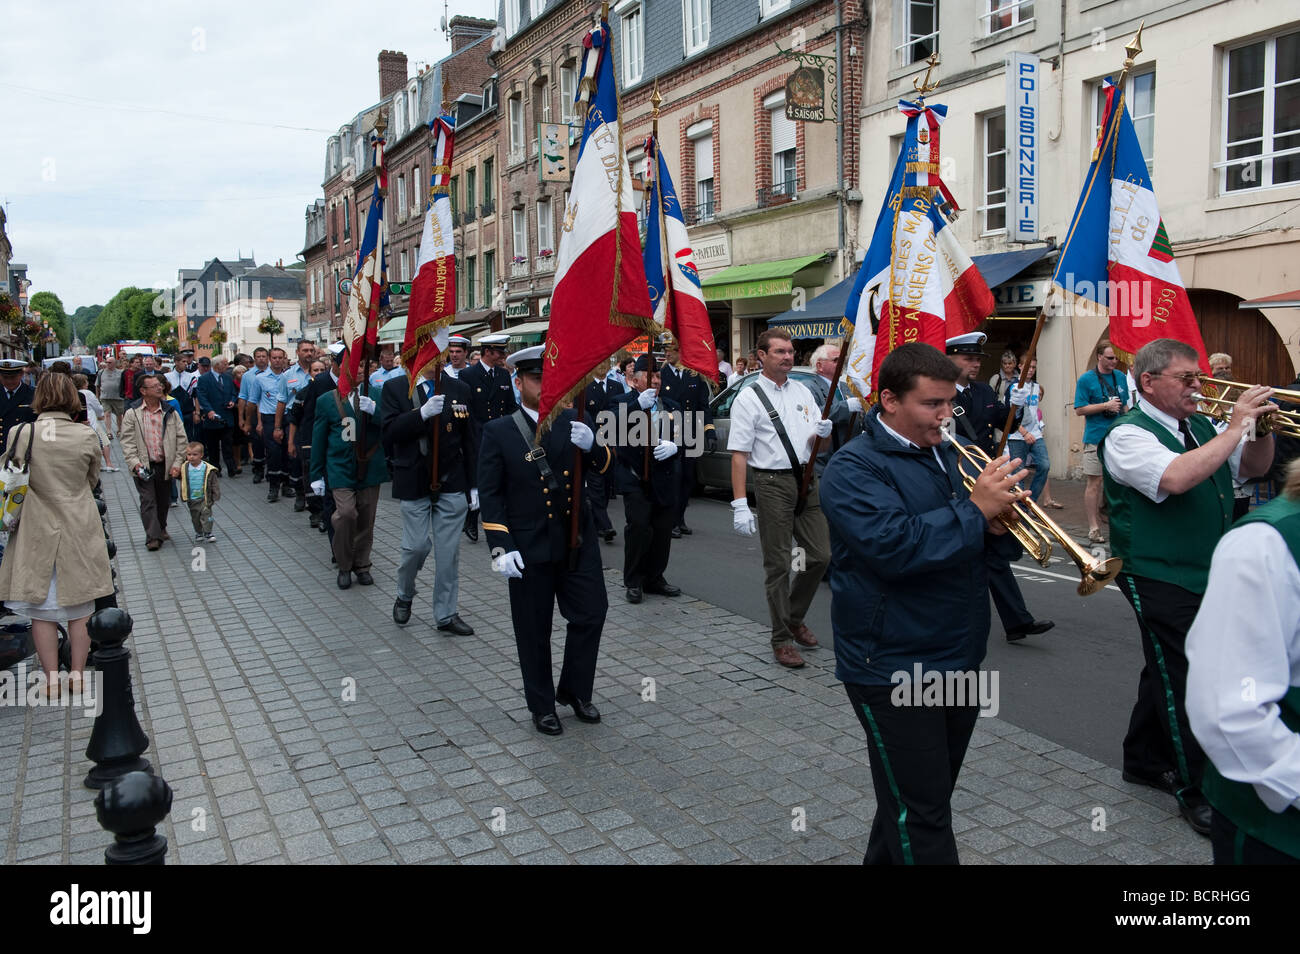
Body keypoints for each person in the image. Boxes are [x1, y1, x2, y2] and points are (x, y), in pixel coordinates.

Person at [822, 342, 1027, 864]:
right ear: (889, 400)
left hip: (958, 652)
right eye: (933, 403)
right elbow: (896, 547)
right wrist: (976, 510)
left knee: (916, 799)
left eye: (950, 402)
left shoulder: (941, 451)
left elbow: (971, 541)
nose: (946, 414)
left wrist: (1000, 523)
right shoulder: (852, 467)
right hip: (892, 663)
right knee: (924, 812)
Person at [1099, 338, 1277, 836]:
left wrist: (1259, 430)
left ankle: (1142, 758)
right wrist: (1238, 424)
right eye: (1187, 379)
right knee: (1188, 677)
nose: (1199, 387)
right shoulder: (1126, 436)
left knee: (1164, 664)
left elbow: (1254, 468)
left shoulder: (1199, 425)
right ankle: (1196, 788)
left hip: (1205, 568)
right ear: (1149, 383)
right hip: (1156, 572)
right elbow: (1176, 478)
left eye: (1199, 378)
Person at [479, 345, 613, 735]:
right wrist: (500, 546)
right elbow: (491, 494)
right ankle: (541, 704)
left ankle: (574, 690)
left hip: (576, 540)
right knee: (534, 630)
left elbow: (606, 467)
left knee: (591, 614)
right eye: (537, 378)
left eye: (549, 377)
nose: (544, 385)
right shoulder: (499, 431)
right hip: (529, 545)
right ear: (518, 383)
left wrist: (595, 446)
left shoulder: (576, 419)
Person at [1187, 458, 1300, 864]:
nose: (1196, 388)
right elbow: (1229, 712)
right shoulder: (1265, 545)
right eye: (1185, 385)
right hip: (1278, 831)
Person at [0, 373, 114, 696]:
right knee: (80, 603)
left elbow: (10, 478)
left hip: (36, 526)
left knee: (41, 608)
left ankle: (51, 680)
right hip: (78, 522)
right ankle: (77, 675)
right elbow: (93, 480)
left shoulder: (20, 433)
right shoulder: (85, 434)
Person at [726, 327, 831, 668]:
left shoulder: (802, 391)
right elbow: (739, 454)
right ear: (761, 356)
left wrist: (823, 436)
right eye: (780, 352)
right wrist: (740, 504)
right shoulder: (748, 397)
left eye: (790, 351)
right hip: (771, 483)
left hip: (806, 479)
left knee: (820, 556)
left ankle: (794, 617)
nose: (788, 357)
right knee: (779, 565)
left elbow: (819, 446)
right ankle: (781, 639)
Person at [948, 333, 1054, 643]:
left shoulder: (983, 391)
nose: (976, 363)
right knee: (967, 554)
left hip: (986, 476)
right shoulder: (939, 393)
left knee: (992, 553)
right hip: (956, 481)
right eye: (969, 358)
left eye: (978, 358)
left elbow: (1000, 420)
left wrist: (1014, 409)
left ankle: (1017, 620)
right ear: (950, 359)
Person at [379, 354, 477, 634]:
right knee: (415, 547)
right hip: (413, 479)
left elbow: (470, 438)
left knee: (448, 555)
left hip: (451, 479)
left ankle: (446, 614)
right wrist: (419, 415)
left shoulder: (460, 389)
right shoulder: (397, 388)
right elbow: (388, 433)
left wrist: (474, 485)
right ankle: (405, 593)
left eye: (439, 354)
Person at [614, 355, 683, 603]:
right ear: (635, 379)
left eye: (658, 375)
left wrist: (676, 446)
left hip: (663, 477)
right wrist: (636, 407)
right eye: (650, 375)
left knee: (663, 531)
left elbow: (688, 436)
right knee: (639, 528)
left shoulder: (672, 405)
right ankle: (633, 581)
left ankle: (654, 578)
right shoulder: (621, 402)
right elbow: (608, 429)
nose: (655, 380)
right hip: (635, 477)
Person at [312, 370, 388, 589]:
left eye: (365, 363)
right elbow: (318, 438)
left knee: (366, 518)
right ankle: (344, 565)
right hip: (340, 467)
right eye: (356, 363)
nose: (361, 368)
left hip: (370, 465)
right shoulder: (327, 399)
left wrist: (375, 411)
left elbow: (390, 424)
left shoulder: (377, 394)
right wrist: (316, 474)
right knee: (346, 514)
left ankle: (362, 565)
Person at [120, 374, 188, 551]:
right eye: (155, 386)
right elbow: (126, 441)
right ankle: (153, 537)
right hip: (143, 466)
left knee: (163, 501)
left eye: (160, 385)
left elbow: (182, 438)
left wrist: (176, 463)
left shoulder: (169, 411)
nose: (160, 388)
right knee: (148, 500)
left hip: (164, 464)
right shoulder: (132, 413)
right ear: (143, 391)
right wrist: (135, 463)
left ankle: (161, 527)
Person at [461, 333, 518, 542]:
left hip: (500, 434)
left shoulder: (503, 376)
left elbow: (510, 405)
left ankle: (498, 523)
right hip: (479, 435)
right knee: (482, 480)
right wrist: (479, 433)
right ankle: (472, 518)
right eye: (499, 352)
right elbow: (468, 410)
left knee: (501, 478)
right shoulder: (468, 375)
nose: (502, 356)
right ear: (487, 352)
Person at [658, 339, 716, 537]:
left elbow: (703, 406)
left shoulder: (695, 375)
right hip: (670, 433)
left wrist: (710, 432)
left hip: (691, 432)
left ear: (681, 352)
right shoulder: (661, 375)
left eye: (671, 350)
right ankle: (670, 520)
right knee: (674, 477)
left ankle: (680, 517)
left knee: (688, 478)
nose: (667, 354)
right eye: (665, 350)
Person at [1075, 339, 1130, 543]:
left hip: (1118, 438)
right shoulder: (1086, 380)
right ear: (1099, 357)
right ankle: (1093, 527)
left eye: (1116, 357)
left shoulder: (1120, 377)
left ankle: (1117, 524)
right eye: (1109, 358)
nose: (1114, 361)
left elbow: (1124, 407)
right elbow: (1080, 409)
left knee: (1119, 481)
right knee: (1094, 482)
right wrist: (1105, 406)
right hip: (1096, 437)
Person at [805, 340, 864, 479]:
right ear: (819, 365)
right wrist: (845, 407)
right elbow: (814, 414)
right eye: (836, 360)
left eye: (842, 359)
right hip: (825, 461)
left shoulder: (845, 387)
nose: (841, 363)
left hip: (850, 457)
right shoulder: (809, 387)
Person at [245, 347, 289, 501]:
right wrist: (248, 422)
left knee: (287, 451)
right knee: (273, 452)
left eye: (280, 358)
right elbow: (252, 401)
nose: (277, 361)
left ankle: (287, 484)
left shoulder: (289, 376)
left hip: (287, 417)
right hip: (269, 418)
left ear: (284, 359)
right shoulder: (260, 378)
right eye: (274, 358)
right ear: (270, 359)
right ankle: (273, 486)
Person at [277, 340, 316, 512]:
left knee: (313, 460)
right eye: (305, 350)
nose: (309, 353)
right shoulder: (288, 375)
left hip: (315, 422)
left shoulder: (320, 373)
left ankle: (315, 497)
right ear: (298, 352)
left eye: (311, 350)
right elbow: (281, 401)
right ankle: (300, 493)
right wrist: (277, 427)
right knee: (297, 459)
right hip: (294, 422)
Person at [583, 359, 619, 543]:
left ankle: (596, 521)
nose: (603, 366)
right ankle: (606, 526)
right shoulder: (585, 387)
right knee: (596, 485)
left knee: (606, 486)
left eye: (606, 363)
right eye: (599, 363)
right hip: (593, 443)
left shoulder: (615, 386)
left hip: (611, 443)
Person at [1005, 354, 1050, 503]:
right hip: (1017, 435)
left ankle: (1032, 501)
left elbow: (1034, 410)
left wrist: (1038, 428)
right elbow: (1010, 414)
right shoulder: (1014, 387)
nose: (1030, 370)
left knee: (1044, 465)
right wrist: (1023, 432)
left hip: (1035, 433)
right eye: (1028, 367)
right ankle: (1022, 507)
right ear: (1020, 366)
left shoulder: (1036, 387)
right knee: (1020, 473)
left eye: (1033, 367)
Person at [196, 356, 239, 477]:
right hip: (212, 418)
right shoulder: (204, 379)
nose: (227, 366)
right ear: (217, 365)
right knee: (213, 446)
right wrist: (209, 410)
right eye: (225, 364)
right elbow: (202, 396)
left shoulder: (227, 377)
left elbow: (233, 393)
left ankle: (231, 468)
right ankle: (215, 468)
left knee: (228, 444)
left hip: (227, 416)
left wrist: (232, 400)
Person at [238, 347, 270, 483]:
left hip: (268, 412)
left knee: (271, 444)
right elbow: (243, 397)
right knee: (257, 444)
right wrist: (242, 418)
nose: (261, 359)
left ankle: (272, 471)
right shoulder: (248, 376)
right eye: (258, 356)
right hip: (253, 414)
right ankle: (258, 470)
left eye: (264, 356)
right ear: (254, 358)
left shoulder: (274, 373)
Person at [73, 373, 116, 472]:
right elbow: (97, 406)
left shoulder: (73, 393)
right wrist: (101, 414)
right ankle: (108, 463)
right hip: (91, 420)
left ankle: (98, 464)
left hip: (80, 423)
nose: (88, 383)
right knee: (104, 441)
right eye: (86, 381)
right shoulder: (87, 393)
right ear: (83, 383)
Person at [180, 441, 221, 542]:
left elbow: (214, 482)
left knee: (207, 515)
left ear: (201, 455)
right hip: (192, 498)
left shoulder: (207, 468)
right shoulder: (184, 467)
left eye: (195, 454)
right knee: (195, 517)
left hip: (205, 498)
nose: (191, 457)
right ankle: (199, 532)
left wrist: (215, 494)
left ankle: (208, 532)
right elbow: (180, 479)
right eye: (189, 454)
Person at [0, 358, 36, 456]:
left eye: (13, 377)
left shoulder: (33, 394)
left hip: (22, 450)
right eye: (5, 377)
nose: (9, 381)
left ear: (21, 374)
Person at [95, 353, 125, 438]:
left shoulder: (120, 373)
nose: (108, 364)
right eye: (107, 362)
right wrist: (97, 396)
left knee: (119, 415)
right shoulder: (101, 372)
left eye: (110, 362)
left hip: (118, 397)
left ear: (115, 363)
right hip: (105, 397)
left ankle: (119, 430)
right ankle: (109, 432)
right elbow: (97, 385)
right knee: (107, 414)